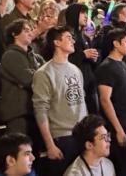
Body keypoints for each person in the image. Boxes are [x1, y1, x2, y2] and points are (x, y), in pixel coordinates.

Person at [32, 27, 87, 174]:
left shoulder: (76, 70)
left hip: (81, 135)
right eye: (68, 37)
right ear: (56, 42)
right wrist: (50, 144)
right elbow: (40, 109)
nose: (73, 41)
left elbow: (82, 103)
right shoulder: (44, 73)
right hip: (61, 137)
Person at [0, 19, 45, 137]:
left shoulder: (36, 57)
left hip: (35, 111)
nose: (30, 33)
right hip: (18, 113)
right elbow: (29, 80)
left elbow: (49, 76)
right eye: (26, 30)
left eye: (30, 30)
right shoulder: (10, 55)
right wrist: (38, 75)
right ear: (14, 34)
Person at [96, 28, 126, 150]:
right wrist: (118, 129)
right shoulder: (106, 67)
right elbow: (104, 100)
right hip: (118, 123)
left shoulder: (122, 64)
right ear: (115, 44)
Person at [66, 3, 100, 114]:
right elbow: (64, 59)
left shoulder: (84, 36)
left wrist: (94, 58)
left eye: (86, 13)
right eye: (82, 13)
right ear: (74, 14)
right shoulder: (67, 36)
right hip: (75, 84)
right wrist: (83, 55)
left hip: (89, 82)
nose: (86, 16)